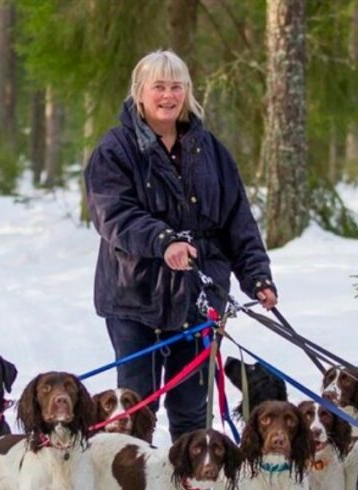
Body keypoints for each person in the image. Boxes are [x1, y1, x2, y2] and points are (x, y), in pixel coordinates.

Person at [85, 49, 278, 445]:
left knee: (192, 409)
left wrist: (256, 276)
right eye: (159, 86)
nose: (168, 95)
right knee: (138, 408)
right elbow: (112, 214)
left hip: (199, 297)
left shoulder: (212, 151)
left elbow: (238, 221)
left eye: (176, 86)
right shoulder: (115, 149)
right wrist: (162, 240)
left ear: (187, 92)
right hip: (134, 296)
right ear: (140, 92)